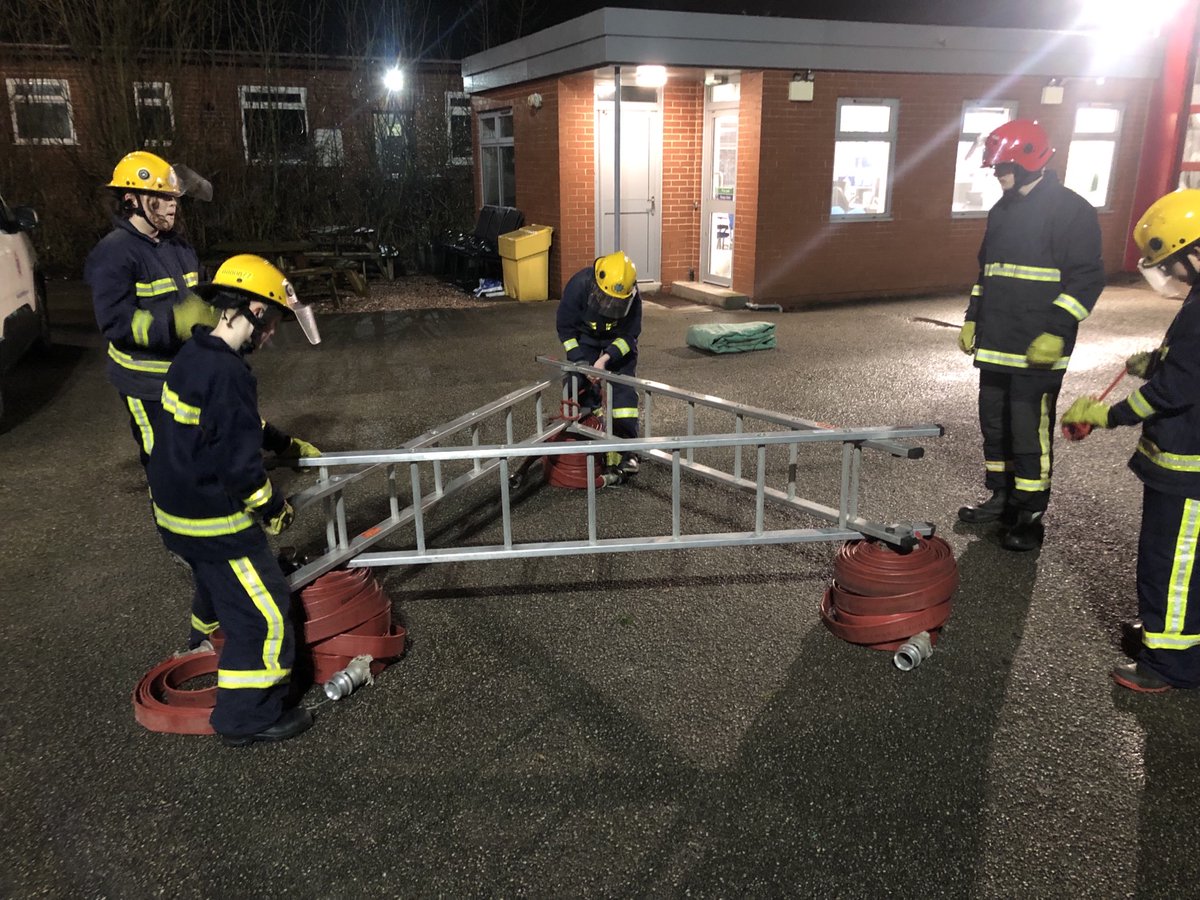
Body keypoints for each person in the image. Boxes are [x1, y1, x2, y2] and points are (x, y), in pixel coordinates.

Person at [147, 254, 322, 745]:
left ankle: (200, 640)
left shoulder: (196, 356)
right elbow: (240, 467)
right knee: (264, 612)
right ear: (252, 310)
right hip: (213, 520)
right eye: (271, 323)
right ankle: (247, 717)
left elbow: (228, 426)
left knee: (218, 587)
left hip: (176, 514)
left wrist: (283, 443)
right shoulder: (230, 375)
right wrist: (272, 509)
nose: (270, 336)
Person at [1061, 189, 1200, 692]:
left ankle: (1170, 663)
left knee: (1173, 565)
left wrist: (1108, 415)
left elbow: (1177, 391)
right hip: (1182, 464)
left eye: (1173, 264)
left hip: (1189, 470)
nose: (1172, 276)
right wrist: (1158, 361)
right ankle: (1172, 634)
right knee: (1180, 561)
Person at [956, 119, 1105, 551]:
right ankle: (1000, 497)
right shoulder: (1002, 210)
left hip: (1038, 348)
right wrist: (972, 318)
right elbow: (988, 273)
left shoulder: (1071, 210)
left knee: (1028, 432)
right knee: (995, 427)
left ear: (1028, 159)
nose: (996, 174)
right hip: (997, 342)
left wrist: (1058, 332)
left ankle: (1029, 514)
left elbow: (1087, 279)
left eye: (1003, 166)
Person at [85, 150, 217, 470]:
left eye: (173, 197)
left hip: (185, 375)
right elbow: (116, 323)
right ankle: (169, 519)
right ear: (132, 199)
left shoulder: (178, 246)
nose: (173, 204)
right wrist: (174, 322)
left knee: (197, 456)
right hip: (145, 384)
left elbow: (201, 290)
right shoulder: (114, 253)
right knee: (165, 465)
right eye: (161, 196)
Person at [556, 251, 643, 477]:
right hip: (586, 338)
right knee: (579, 385)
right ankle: (587, 434)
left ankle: (629, 449)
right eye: (606, 300)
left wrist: (606, 359)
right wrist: (582, 362)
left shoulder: (632, 296)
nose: (610, 307)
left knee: (624, 396)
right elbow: (566, 330)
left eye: (617, 304)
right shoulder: (578, 286)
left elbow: (630, 336)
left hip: (616, 340)